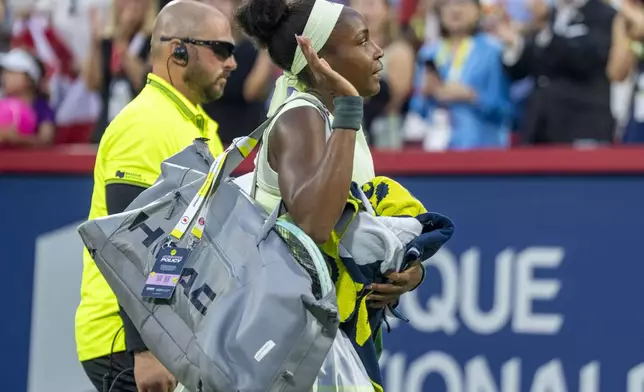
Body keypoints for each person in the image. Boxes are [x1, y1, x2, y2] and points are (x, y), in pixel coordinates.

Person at [234, 0, 424, 388]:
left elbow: (352, 220)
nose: (378, 51)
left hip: (317, 335)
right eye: (362, 41)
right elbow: (315, 223)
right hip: (288, 343)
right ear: (320, 59)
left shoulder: (330, 117)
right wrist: (351, 108)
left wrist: (406, 272)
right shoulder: (300, 116)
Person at [75, 1, 236, 391]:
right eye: (222, 49)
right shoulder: (146, 124)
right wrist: (145, 350)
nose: (232, 62)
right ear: (179, 50)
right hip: (129, 343)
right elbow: (127, 247)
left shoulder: (196, 125)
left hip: (171, 337)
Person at [407, 0, 513, 150]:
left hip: (482, 147)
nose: (455, 9)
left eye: (462, 2)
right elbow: (417, 108)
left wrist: (472, 96)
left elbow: (506, 110)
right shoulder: (428, 53)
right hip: (437, 148)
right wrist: (425, 94)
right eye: (447, 3)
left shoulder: (492, 51)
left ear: (477, 10)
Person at [199, 0, 276, 144]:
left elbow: (253, 91)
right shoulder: (200, 49)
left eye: (221, 2)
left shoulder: (251, 49)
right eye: (210, 2)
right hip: (211, 140)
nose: (215, 7)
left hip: (246, 142)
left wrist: (267, 43)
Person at [84, 0, 157, 143]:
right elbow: (92, 83)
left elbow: (144, 83)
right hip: (107, 129)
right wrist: (95, 43)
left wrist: (122, 43)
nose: (130, 6)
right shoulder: (106, 43)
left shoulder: (154, 42)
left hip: (139, 133)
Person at [0, 48, 56, 147]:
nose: (5, 77)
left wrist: (15, 138)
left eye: (12, 72)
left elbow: (45, 140)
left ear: (29, 79)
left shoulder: (41, 107)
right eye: (5, 72)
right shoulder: (2, 102)